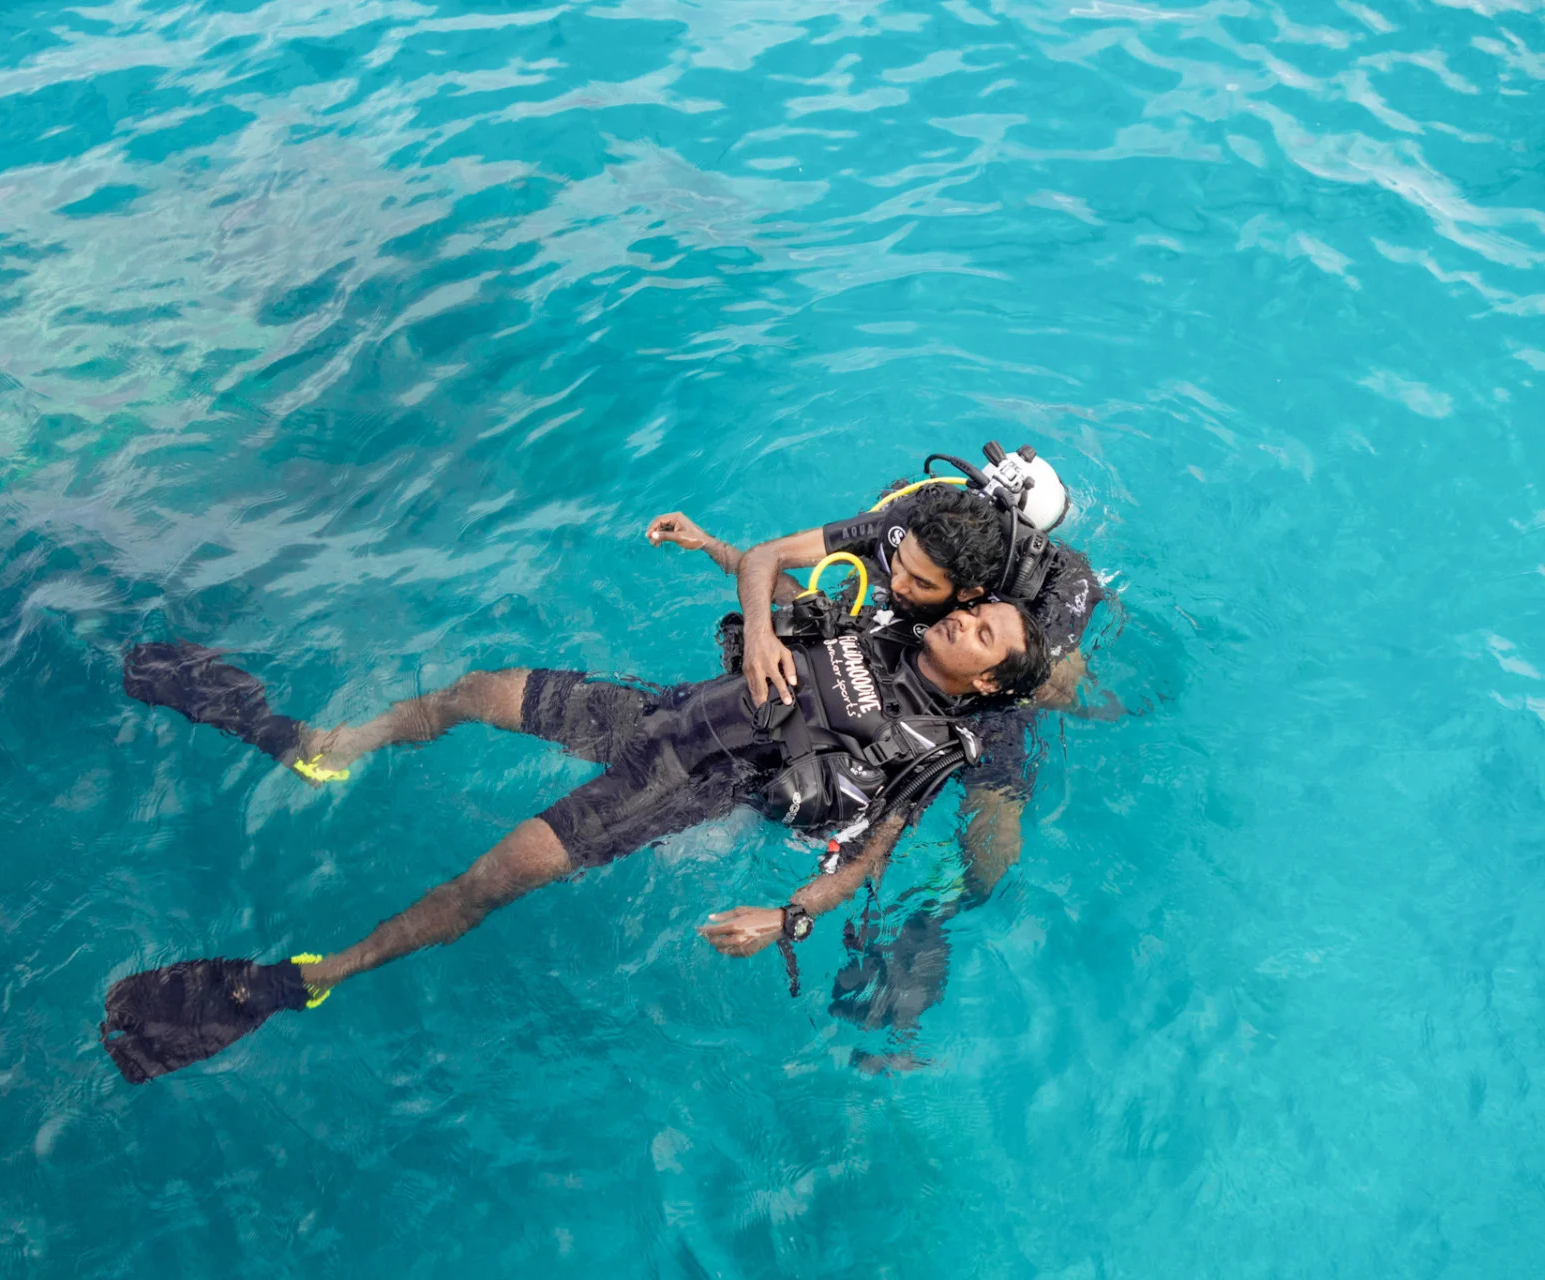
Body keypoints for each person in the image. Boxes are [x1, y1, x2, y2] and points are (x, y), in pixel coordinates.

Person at [100, 570, 1050, 1083]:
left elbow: (865, 859)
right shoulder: (889, 617)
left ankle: (304, 980)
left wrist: (788, 918)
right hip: (658, 712)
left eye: (987, 630)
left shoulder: (928, 755)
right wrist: (749, 601)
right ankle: (328, 746)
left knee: (484, 879)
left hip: (674, 784)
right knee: (477, 689)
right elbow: (770, 565)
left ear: (989, 682)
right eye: (976, 608)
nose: (967, 617)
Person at [645, 444, 1108, 1040]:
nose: (898, 578)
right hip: (927, 653)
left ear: (980, 583)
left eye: (921, 578)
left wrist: (994, 680)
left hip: (992, 691)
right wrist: (714, 547)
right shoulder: (922, 527)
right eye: (904, 568)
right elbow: (788, 582)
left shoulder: (1050, 596)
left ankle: (938, 912)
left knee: (989, 851)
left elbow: (1042, 681)